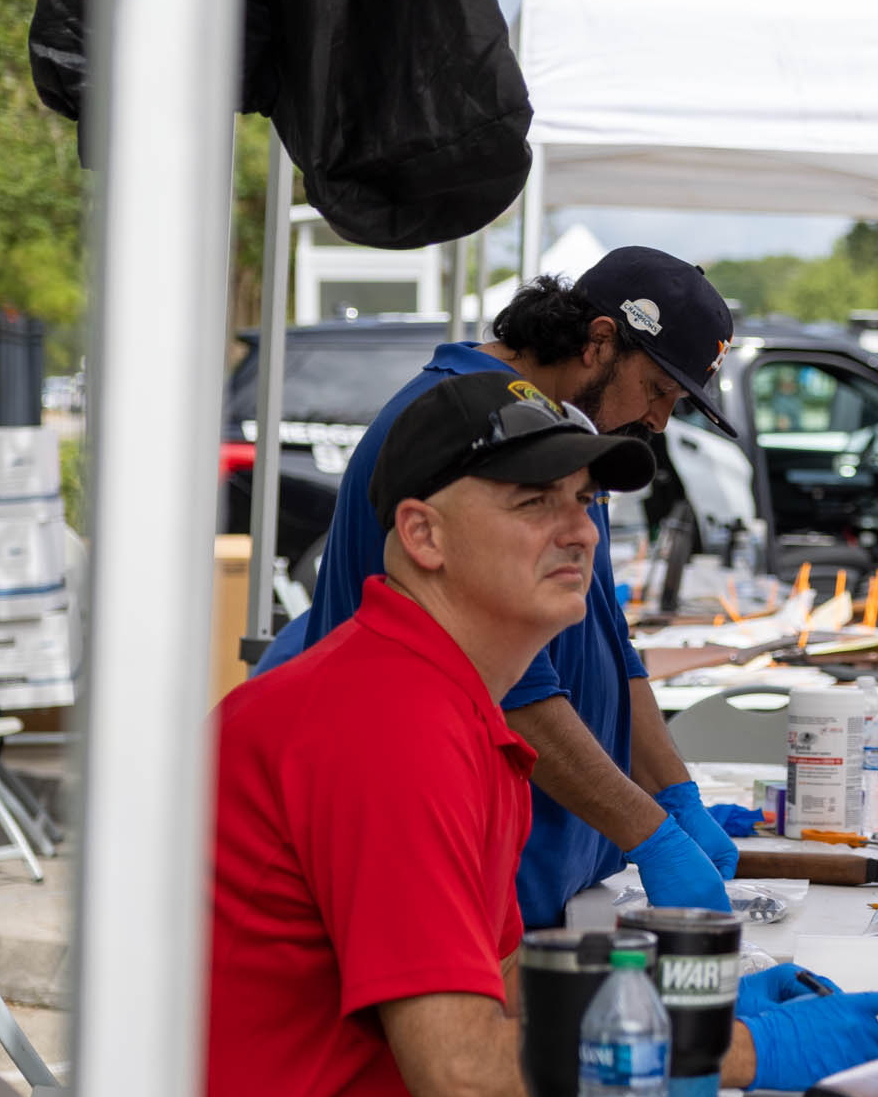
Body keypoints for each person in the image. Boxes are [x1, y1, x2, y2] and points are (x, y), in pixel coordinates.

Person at [202, 374, 878, 1097]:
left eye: (583, 500)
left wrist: (677, 1005)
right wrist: (736, 1051)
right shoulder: (393, 723)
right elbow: (459, 1069)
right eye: (532, 500)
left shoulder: (436, 700)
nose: (577, 529)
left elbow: (479, 982)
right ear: (423, 535)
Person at [261, 249, 748, 927]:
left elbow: (609, 637)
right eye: (658, 390)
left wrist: (674, 792)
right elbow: (506, 689)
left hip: (556, 889)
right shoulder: (468, 429)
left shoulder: (567, 436)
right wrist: (651, 831)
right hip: (460, 889)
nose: (661, 420)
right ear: (600, 340)